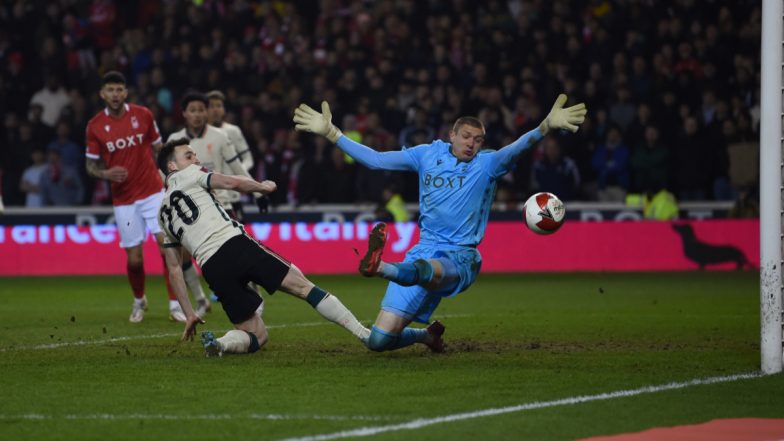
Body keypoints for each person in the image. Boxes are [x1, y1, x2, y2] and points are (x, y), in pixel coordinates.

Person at [293, 94, 586, 352]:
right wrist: (332, 133)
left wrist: (545, 126)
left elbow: (517, 148)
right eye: (467, 137)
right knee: (378, 342)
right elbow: (377, 160)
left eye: (478, 139)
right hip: (425, 247)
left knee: (428, 271)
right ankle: (426, 336)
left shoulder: (488, 165)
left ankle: (380, 267)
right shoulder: (427, 154)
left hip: (460, 256)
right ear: (452, 135)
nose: (472, 144)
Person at [156, 138, 370, 356]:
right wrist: (262, 187)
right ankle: (364, 334)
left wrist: (189, 313)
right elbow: (231, 183)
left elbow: (174, 268)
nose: (196, 159)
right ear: (172, 166)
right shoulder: (192, 173)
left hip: (212, 268)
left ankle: (220, 344)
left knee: (257, 335)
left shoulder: (162, 213)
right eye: (189, 156)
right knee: (304, 287)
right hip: (234, 245)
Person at [85, 71, 184, 323]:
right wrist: (107, 173)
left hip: (152, 192)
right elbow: (90, 166)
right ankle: (139, 300)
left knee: (168, 249)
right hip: (124, 200)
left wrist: (169, 177)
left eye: (119, 89)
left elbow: (158, 148)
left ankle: (175, 305)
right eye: (111, 90)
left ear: (125, 92)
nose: (115, 94)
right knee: (135, 259)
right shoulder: (95, 126)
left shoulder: (143, 115)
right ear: (102, 94)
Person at [167, 92, 267, 313]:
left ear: (207, 112)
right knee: (184, 256)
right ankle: (201, 300)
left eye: (201, 110)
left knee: (238, 254)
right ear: (184, 113)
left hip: (221, 205)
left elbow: (237, 167)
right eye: (192, 110)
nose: (197, 114)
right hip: (190, 209)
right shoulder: (174, 141)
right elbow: (167, 175)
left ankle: (255, 295)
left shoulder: (221, 136)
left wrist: (258, 191)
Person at [206, 90, 261, 220]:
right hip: (208, 196)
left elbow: (248, 158)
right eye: (211, 106)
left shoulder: (233, 131)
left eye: (219, 106)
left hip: (232, 195)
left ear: (224, 109)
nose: (215, 110)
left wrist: (238, 172)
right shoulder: (198, 135)